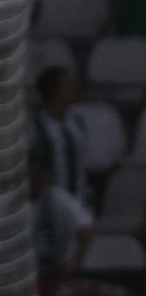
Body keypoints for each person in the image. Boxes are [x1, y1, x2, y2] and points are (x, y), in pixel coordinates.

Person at [27, 150, 93, 277]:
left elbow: (85, 230)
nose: (31, 181)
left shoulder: (59, 199)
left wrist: (75, 262)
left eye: (35, 175)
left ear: (44, 175)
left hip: (54, 273)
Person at [31, 67, 90, 206]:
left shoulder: (78, 122)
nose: (74, 87)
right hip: (50, 203)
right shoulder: (37, 128)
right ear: (53, 91)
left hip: (79, 199)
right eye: (67, 84)